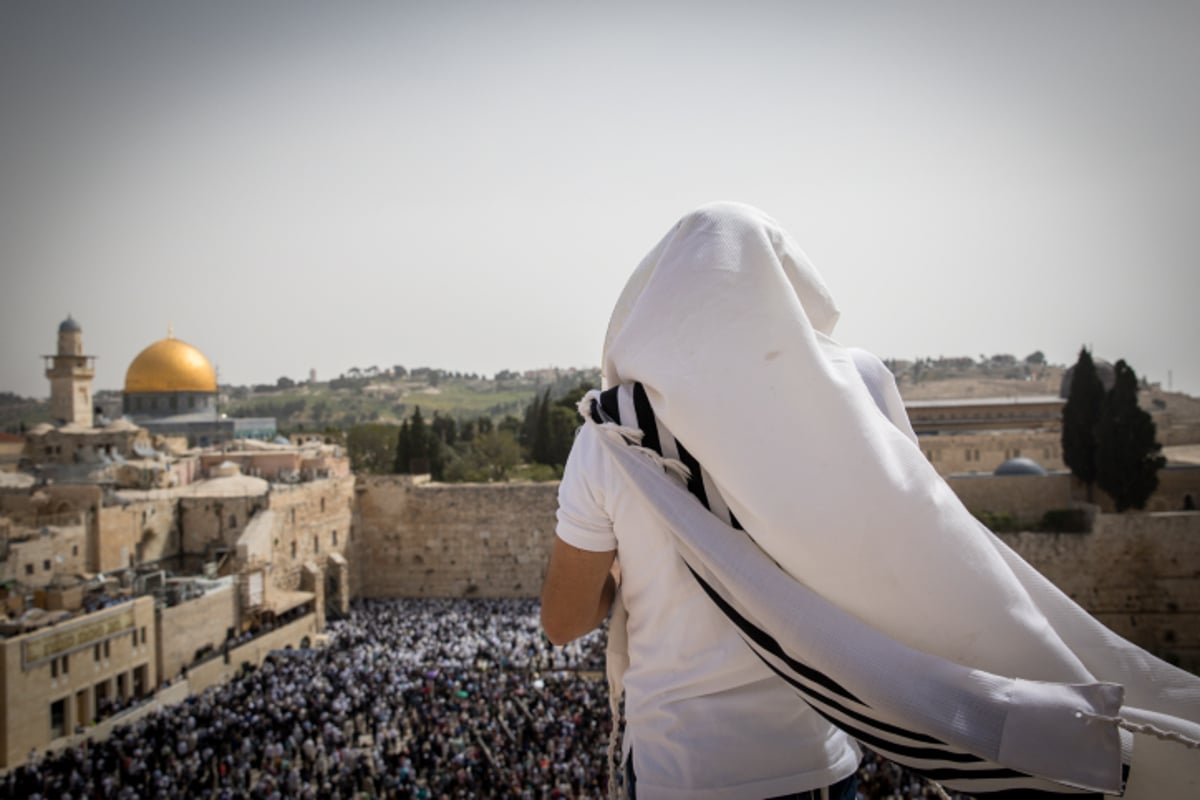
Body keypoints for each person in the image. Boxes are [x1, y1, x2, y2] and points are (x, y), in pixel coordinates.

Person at [542, 202, 1200, 800]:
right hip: (819, 767)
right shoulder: (851, 398)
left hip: (679, 774)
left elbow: (564, 620)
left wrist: (628, 572)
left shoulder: (614, 439)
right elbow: (909, 529)